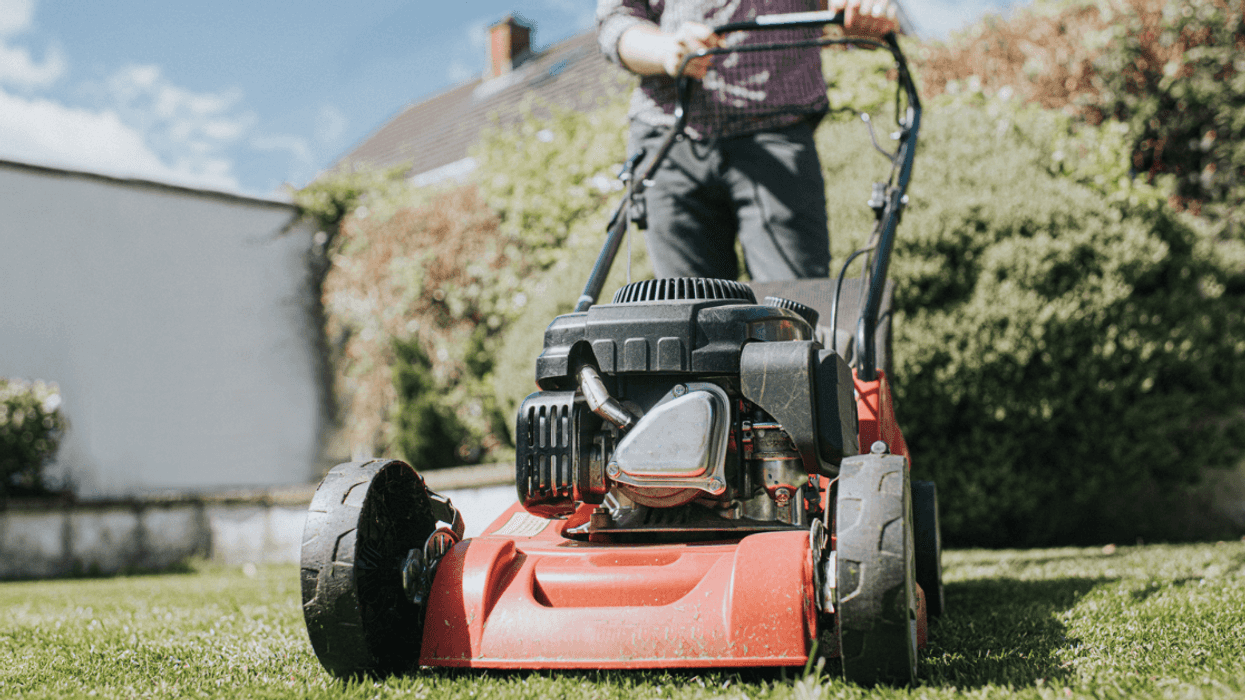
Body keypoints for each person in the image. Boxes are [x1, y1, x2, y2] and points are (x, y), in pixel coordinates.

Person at [596, 0, 898, 282]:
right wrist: (665, 49)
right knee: (688, 308)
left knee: (791, 306)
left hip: (778, 131)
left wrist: (862, 10)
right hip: (668, 139)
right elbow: (616, 21)